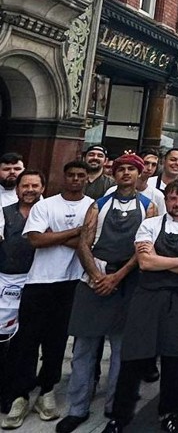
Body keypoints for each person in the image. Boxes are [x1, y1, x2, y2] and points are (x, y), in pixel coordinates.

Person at [57, 155, 158, 433]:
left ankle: (115, 406)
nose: (126, 173)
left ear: (139, 175)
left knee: (120, 351)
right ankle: (77, 408)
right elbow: (84, 243)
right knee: (84, 349)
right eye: (121, 169)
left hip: (127, 282)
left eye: (132, 169)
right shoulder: (97, 205)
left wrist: (117, 276)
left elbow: (144, 249)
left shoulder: (148, 207)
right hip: (94, 281)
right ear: (114, 173)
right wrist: (97, 276)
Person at [103, 179, 178, 433]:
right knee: (134, 356)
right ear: (166, 200)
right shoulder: (148, 224)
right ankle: (120, 416)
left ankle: (169, 412)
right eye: (173, 198)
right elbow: (145, 263)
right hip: (147, 297)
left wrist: (159, 259)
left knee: (174, 357)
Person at [4, 162, 92, 430]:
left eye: (80, 176)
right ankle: (20, 395)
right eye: (71, 175)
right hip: (39, 280)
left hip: (72, 282)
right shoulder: (46, 205)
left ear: (87, 179)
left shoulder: (93, 205)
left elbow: (88, 244)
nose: (75, 179)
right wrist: (76, 232)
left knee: (56, 342)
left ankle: (47, 391)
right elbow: (34, 239)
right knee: (26, 341)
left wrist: (55, 235)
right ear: (63, 178)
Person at [0, 171, 44, 411]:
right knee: (2, 340)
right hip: (5, 281)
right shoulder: (4, 213)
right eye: (25, 185)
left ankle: (21, 389)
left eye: (34, 186)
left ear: (42, 188)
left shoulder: (48, 212)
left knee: (27, 339)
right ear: (17, 189)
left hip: (36, 283)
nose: (29, 190)